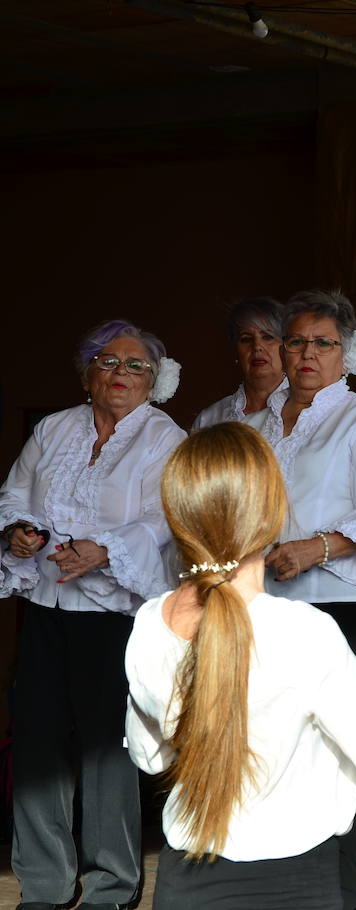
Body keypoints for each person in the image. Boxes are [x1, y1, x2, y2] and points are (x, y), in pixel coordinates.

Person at [124, 422, 356, 910]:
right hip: (296, 887)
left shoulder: (149, 622)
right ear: (271, 513)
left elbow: (150, 756)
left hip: (183, 884)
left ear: (176, 513)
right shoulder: (303, 632)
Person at [243, 288, 356, 910]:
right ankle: (276, 886)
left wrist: (314, 549)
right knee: (270, 740)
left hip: (337, 603)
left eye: (323, 342)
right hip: (263, 604)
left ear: (348, 352)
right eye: (295, 341)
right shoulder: (254, 423)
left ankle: (341, 893)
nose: (307, 353)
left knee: (336, 743)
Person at [0, 319, 185, 910]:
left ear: (154, 381)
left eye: (135, 366)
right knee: (36, 740)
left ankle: (112, 886)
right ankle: (46, 884)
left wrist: (105, 550)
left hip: (117, 613)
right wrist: (19, 532)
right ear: (87, 373)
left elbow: (167, 517)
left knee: (110, 747)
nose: (121, 374)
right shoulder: (54, 429)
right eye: (108, 362)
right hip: (48, 606)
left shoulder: (165, 438)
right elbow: (15, 493)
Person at [193, 297, 288, 429]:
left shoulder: (306, 411)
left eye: (268, 337)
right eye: (246, 339)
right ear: (236, 351)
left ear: (286, 347)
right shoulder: (210, 419)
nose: (257, 346)